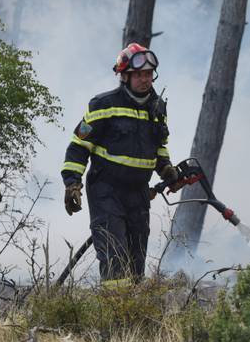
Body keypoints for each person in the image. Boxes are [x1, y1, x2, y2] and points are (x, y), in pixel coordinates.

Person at [61, 43, 180, 283]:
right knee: (115, 258)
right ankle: (113, 318)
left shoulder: (158, 108)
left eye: (149, 74)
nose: (146, 80)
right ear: (125, 76)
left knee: (136, 263)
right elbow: (78, 146)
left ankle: (133, 318)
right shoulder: (104, 105)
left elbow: (159, 146)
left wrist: (166, 167)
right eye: (139, 75)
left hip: (139, 195)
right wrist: (72, 183)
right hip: (106, 191)